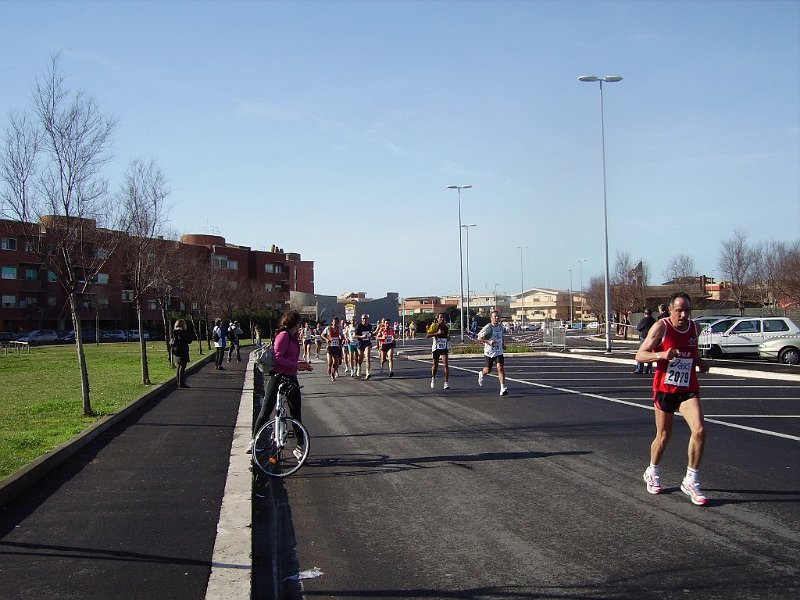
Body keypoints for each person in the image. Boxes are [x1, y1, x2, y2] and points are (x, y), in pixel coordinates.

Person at [636, 292, 710, 506]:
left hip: (688, 388)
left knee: (700, 430)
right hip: (665, 389)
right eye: (679, 310)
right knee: (663, 437)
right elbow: (640, 355)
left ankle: (691, 479)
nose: (684, 314)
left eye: (687, 310)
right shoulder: (662, 327)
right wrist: (660, 355)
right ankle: (653, 470)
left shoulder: (695, 327)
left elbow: (692, 353)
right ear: (670, 310)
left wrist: (700, 362)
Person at [248, 309, 313, 454]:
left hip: (291, 377)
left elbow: (291, 358)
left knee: (296, 412)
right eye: (299, 323)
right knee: (266, 410)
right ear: (294, 323)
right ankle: (253, 441)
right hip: (278, 376)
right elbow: (278, 358)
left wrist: (302, 364)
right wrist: (296, 365)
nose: (300, 327)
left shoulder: (293, 338)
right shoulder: (283, 336)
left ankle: (299, 446)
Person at [477, 310, 508, 396]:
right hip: (489, 352)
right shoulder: (488, 327)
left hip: (499, 351)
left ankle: (502, 388)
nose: (497, 318)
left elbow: (501, 336)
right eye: (495, 316)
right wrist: (488, 342)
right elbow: (479, 338)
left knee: (500, 368)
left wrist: (503, 344)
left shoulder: (501, 327)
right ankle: (481, 374)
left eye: (498, 316)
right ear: (491, 318)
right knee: (488, 370)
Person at [427, 312, 450, 390]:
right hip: (436, 348)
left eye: (443, 317)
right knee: (435, 365)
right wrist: (437, 333)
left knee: (446, 364)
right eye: (440, 317)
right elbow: (427, 335)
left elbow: (447, 336)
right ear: (437, 319)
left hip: (444, 347)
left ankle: (446, 383)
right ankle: (433, 378)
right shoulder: (434, 326)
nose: (442, 319)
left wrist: (447, 338)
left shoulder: (446, 327)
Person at [633, 308, 656, 374]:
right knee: (650, 353)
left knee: (641, 352)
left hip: (644, 337)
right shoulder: (653, 320)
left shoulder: (644, 319)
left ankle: (640, 369)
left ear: (645, 313)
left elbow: (638, 328)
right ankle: (649, 369)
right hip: (652, 338)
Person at [322, 316, 344, 381]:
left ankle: (333, 374)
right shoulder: (328, 328)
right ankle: (329, 366)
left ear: (338, 323)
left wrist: (341, 340)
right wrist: (326, 339)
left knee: (336, 362)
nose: (335, 323)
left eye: (336, 322)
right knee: (330, 362)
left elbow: (342, 336)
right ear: (332, 322)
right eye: (334, 322)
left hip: (336, 347)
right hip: (330, 346)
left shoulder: (339, 328)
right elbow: (322, 335)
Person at [171, 319, 191, 388]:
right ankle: (181, 383)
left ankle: (178, 382)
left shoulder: (174, 331)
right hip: (183, 351)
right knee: (182, 367)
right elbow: (189, 340)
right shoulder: (183, 332)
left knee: (178, 367)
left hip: (176, 351)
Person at [355, 314, 374, 379]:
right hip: (360, 343)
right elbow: (355, 336)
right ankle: (359, 367)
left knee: (368, 357)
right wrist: (361, 336)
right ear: (361, 319)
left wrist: (371, 335)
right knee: (361, 358)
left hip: (367, 343)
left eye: (366, 318)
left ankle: (367, 372)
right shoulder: (359, 326)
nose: (365, 320)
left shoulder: (369, 326)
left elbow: (370, 333)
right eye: (363, 318)